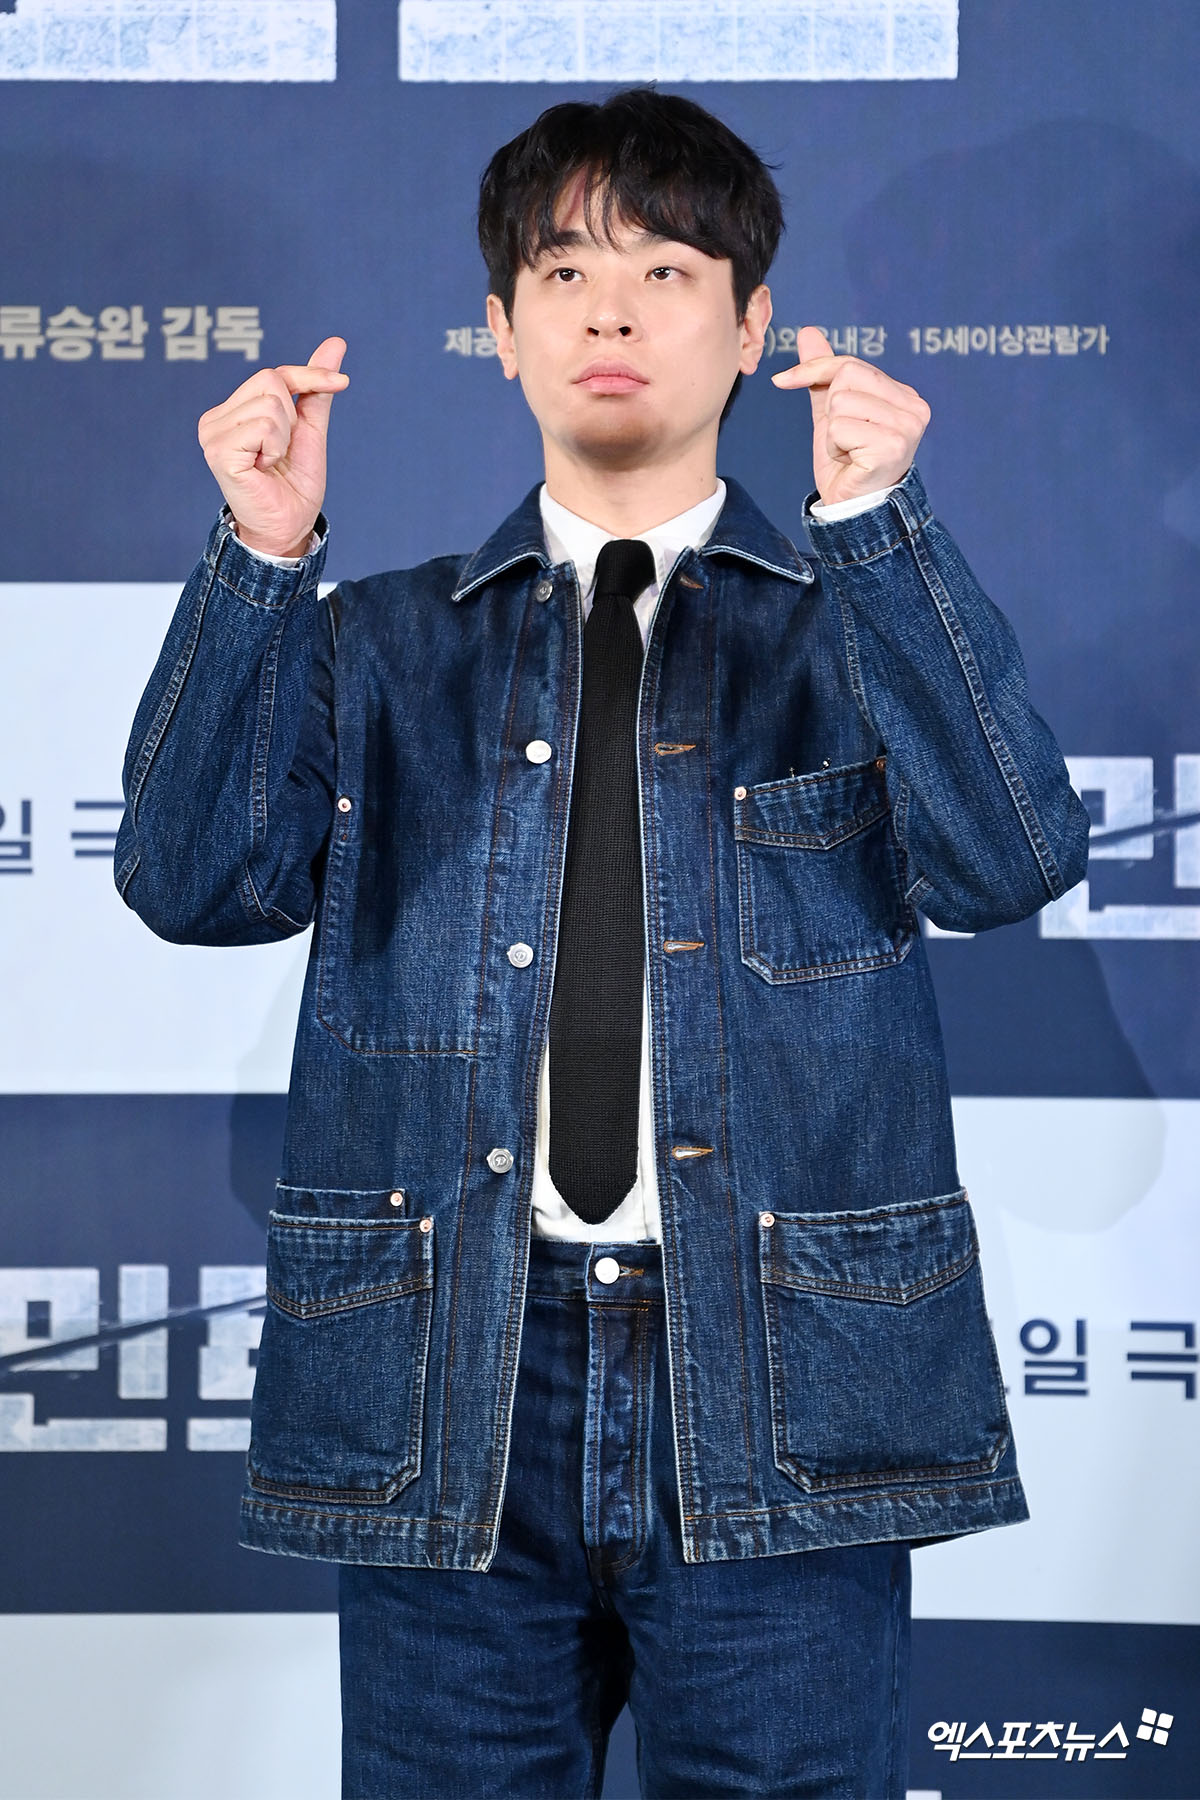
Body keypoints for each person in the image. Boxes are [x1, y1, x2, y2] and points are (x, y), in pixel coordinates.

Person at [116, 86, 1090, 1800]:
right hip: (452, 1376)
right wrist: (261, 557)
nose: (613, 313)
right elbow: (195, 882)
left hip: (784, 1372)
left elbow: (1006, 860)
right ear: (501, 332)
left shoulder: (852, 623)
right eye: (565, 273)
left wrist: (882, 531)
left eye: (666, 270)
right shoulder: (380, 641)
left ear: (752, 327)